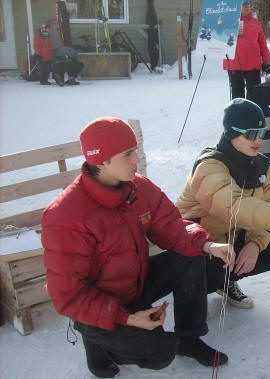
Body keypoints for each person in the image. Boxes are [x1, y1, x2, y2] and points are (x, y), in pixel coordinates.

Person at [42, 117, 235, 378]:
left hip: (135, 281)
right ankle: (97, 340)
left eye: (134, 151)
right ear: (101, 160)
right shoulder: (65, 216)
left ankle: (188, 338)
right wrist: (129, 319)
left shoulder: (137, 187)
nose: (136, 160)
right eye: (128, 154)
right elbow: (69, 296)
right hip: (99, 302)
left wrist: (208, 244)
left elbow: (170, 225)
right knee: (160, 353)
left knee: (191, 255)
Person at [176, 98, 270, 309]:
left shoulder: (260, 166)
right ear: (232, 132)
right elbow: (231, 205)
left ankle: (226, 281)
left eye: (261, 133)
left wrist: (255, 244)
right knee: (212, 269)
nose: (257, 140)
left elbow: (268, 204)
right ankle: (188, 293)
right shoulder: (209, 165)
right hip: (197, 246)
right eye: (250, 134)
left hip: (228, 243)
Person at [223, 1, 270, 101]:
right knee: (237, 97)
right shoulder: (227, 21)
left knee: (254, 96)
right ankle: (238, 116)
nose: (246, 7)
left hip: (253, 65)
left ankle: (252, 116)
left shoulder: (255, 22)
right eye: (243, 5)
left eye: (247, 4)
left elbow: (263, 44)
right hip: (234, 65)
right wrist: (231, 31)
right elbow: (218, 37)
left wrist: (266, 62)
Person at [146, 0, 160, 71]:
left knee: (154, 49)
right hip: (152, 32)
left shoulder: (151, 9)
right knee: (152, 49)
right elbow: (150, 21)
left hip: (153, 32)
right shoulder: (150, 9)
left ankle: (154, 64)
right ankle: (153, 65)